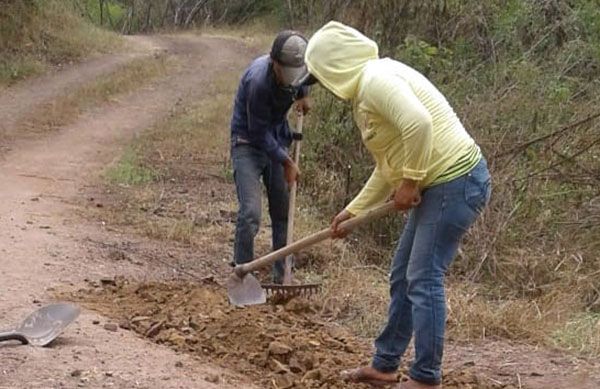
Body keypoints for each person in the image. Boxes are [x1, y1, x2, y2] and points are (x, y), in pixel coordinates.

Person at [299, 21, 492, 388]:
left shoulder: (376, 79)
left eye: (321, 77)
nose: (322, 85)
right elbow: (388, 164)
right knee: (403, 275)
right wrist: (353, 211)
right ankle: (385, 365)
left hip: (457, 181)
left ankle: (425, 378)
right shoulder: (368, 89)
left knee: (423, 276)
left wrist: (411, 180)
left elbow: (419, 125)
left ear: (334, 67)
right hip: (440, 185)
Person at [230, 31, 311, 284]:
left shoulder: (296, 72)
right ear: (274, 62)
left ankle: (282, 275)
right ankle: (243, 274)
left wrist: (303, 95)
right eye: (285, 70)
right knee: (251, 213)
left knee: (282, 210)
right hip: (248, 143)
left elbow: (304, 80)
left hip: (277, 139)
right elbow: (257, 133)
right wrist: (286, 161)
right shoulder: (258, 82)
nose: (291, 77)